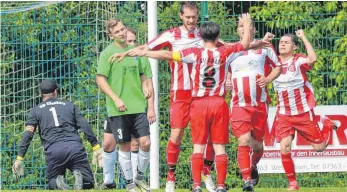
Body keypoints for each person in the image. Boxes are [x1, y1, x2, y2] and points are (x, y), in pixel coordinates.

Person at [111, 14, 270, 192]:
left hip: (199, 103)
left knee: (198, 146)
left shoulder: (195, 53)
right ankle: (221, 186)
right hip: (218, 103)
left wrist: (145, 52)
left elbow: (166, 54)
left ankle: (196, 185)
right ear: (218, 38)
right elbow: (246, 44)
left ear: (201, 38)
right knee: (219, 146)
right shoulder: (225, 52)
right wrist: (247, 24)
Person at [111, 2, 218, 191]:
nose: (192, 20)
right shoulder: (171, 34)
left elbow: (224, 48)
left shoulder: (204, 35)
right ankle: (170, 177)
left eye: (194, 17)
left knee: (206, 136)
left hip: (202, 93)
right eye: (188, 17)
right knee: (176, 134)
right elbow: (147, 47)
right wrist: (126, 53)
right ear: (181, 16)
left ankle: (206, 173)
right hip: (180, 92)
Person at [265, 30, 338, 191]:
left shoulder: (297, 61)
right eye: (281, 42)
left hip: (303, 113)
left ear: (294, 47)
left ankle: (327, 125)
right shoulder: (273, 62)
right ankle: (293, 183)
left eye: (286, 42)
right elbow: (257, 55)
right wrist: (265, 39)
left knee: (319, 148)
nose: (282, 44)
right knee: (284, 147)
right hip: (283, 114)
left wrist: (304, 36)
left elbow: (313, 59)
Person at [11, 79, 102, 190]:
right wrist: (96, 147)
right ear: (55, 92)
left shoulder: (36, 110)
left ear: (41, 94)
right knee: (89, 183)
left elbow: (28, 135)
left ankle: (57, 183)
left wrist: (19, 158)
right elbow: (85, 126)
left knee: (52, 182)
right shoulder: (69, 105)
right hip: (75, 148)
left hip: (54, 151)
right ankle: (82, 180)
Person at [225, 18, 282, 191]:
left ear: (254, 30)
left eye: (247, 26)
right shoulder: (231, 50)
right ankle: (247, 182)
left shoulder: (264, 46)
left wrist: (268, 78)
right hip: (239, 105)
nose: (244, 29)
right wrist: (227, 81)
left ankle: (253, 165)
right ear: (237, 31)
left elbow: (278, 67)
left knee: (257, 146)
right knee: (243, 141)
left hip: (259, 105)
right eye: (240, 26)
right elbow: (224, 71)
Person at [96, 18, 152, 192]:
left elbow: (143, 74)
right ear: (110, 34)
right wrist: (116, 98)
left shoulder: (134, 52)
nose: (121, 33)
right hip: (118, 109)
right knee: (124, 145)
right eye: (117, 31)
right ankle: (129, 184)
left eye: (123, 29)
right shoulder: (107, 53)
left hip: (138, 106)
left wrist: (144, 85)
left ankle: (140, 177)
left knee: (146, 142)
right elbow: (100, 79)